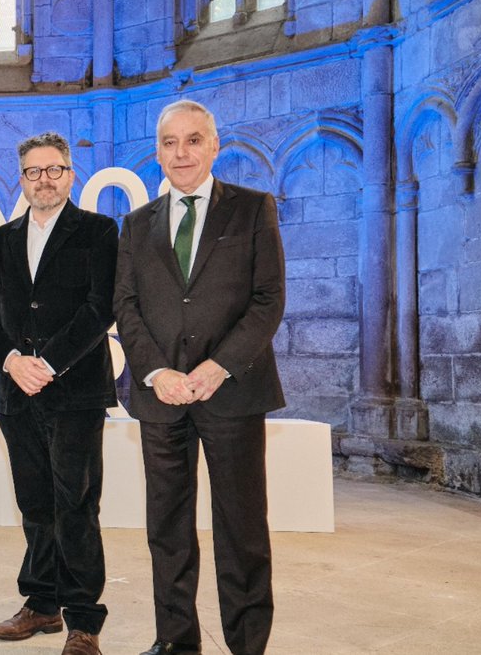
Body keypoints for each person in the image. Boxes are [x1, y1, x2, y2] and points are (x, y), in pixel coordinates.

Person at [113, 99, 285, 655]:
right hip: (162, 398)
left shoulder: (253, 209)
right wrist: (156, 371)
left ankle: (247, 645)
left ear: (215, 146)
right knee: (168, 530)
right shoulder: (137, 224)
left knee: (242, 529)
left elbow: (267, 301)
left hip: (232, 393)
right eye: (169, 142)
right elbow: (127, 305)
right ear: (157, 151)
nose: (180, 152)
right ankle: (176, 642)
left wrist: (219, 366)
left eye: (192, 140)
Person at [0, 131, 119, 655]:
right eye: (34, 171)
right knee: (34, 503)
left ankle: (83, 621)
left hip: (76, 392)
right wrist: (12, 361)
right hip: (17, 393)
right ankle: (41, 604)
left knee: (75, 504)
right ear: (22, 177)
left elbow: (100, 308)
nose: (44, 179)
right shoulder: (0, 240)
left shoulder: (99, 231)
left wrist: (49, 363)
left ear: (69, 173)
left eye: (54, 169)